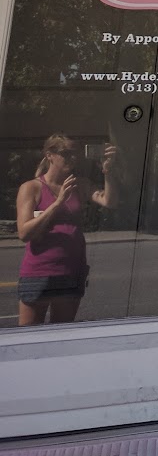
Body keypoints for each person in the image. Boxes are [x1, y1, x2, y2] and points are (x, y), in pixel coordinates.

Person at [15, 135, 117, 325]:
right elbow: (24, 233)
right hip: (39, 271)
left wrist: (108, 172)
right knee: (28, 337)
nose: (72, 158)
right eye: (66, 153)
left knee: (62, 334)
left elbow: (109, 201)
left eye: (75, 153)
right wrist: (58, 202)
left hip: (71, 270)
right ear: (50, 155)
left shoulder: (80, 184)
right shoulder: (31, 188)